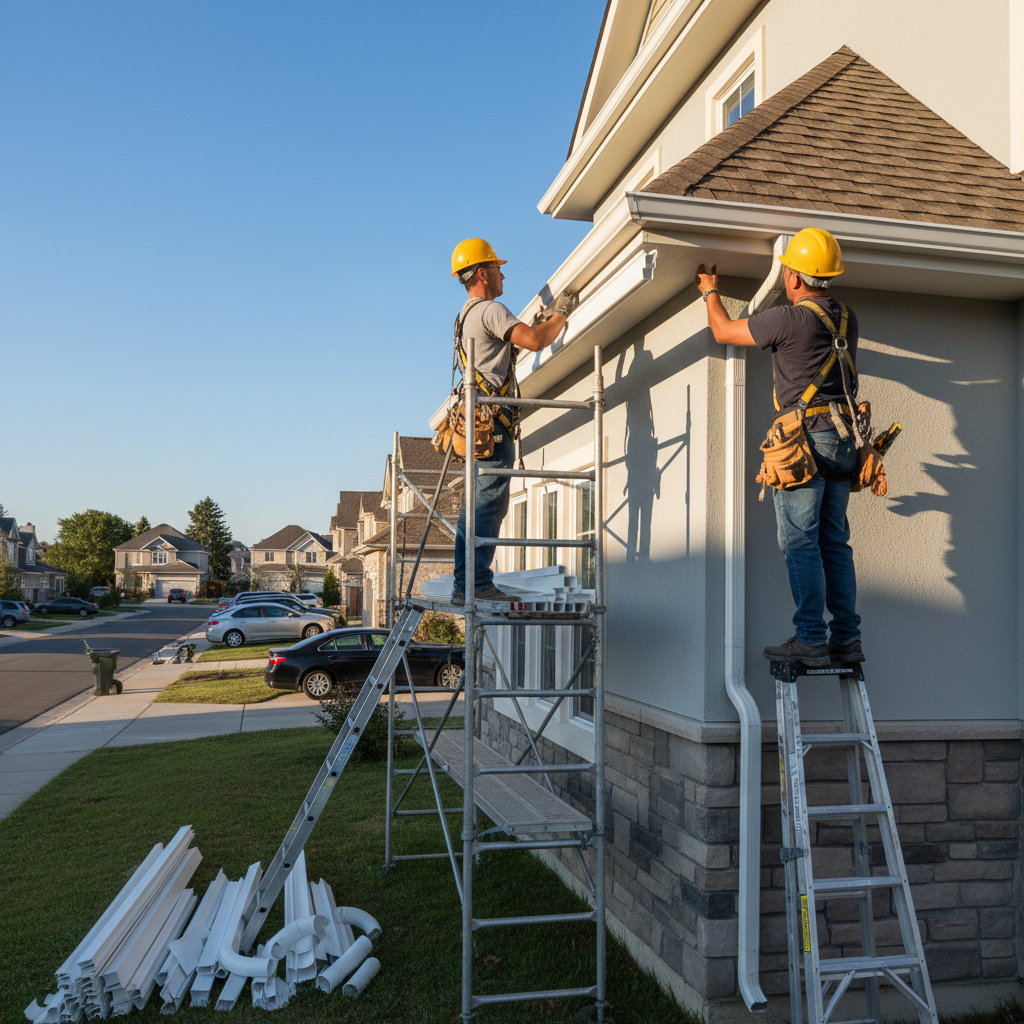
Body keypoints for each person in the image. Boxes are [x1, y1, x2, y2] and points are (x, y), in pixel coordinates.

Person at [695, 228, 864, 666]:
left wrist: (711, 292)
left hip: (806, 443)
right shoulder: (847, 318)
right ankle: (846, 639)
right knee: (835, 543)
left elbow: (724, 331)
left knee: (799, 542)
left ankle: (810, 637)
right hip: (845, 441)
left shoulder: (791, 319)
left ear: (792, 277)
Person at [448, 237, 575, 605]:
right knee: (488, 505)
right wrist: (560, 317)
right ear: (483, 273)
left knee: (475, 507)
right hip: (493, 426)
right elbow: (535, 340)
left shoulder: (465, 317)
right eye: (498, 268)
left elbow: (502, 351)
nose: (503, 274)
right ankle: (476, 585)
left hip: (477, 423)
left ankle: (465, 585)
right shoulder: (491, 310)